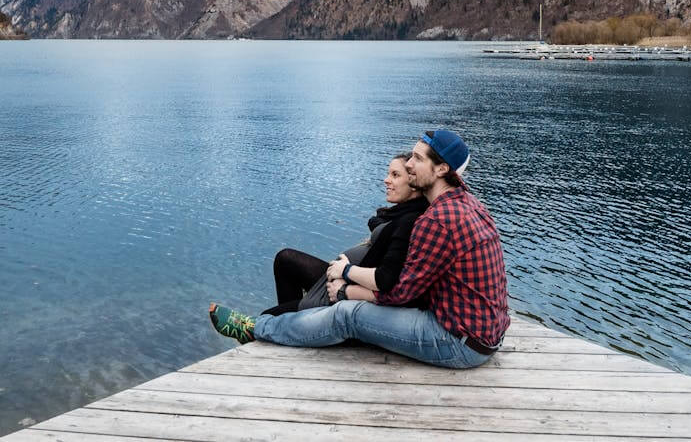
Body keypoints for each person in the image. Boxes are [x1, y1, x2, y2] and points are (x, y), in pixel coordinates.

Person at [209, 129, 510, 370]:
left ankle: (256, 328)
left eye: (417, 158)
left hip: (457, 342)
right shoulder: (467, 203)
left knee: (348, 316)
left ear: (442, 168)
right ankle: (277, 330)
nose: (408, 164)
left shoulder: (438, 219)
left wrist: (345, 290)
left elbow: (399, 292)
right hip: (481, 332)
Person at [262, 153, 428, 316]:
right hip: (343, 279)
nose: (386, 180)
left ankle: (292, 321)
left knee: (266, 317)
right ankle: (292, 323)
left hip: (344, 291)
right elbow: (378, 224)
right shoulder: (401, 214)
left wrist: (346, 273)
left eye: (395, 175)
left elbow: (386, 278)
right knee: (285, 259)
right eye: (388, 173)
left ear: (413, 182)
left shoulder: (409, 221)